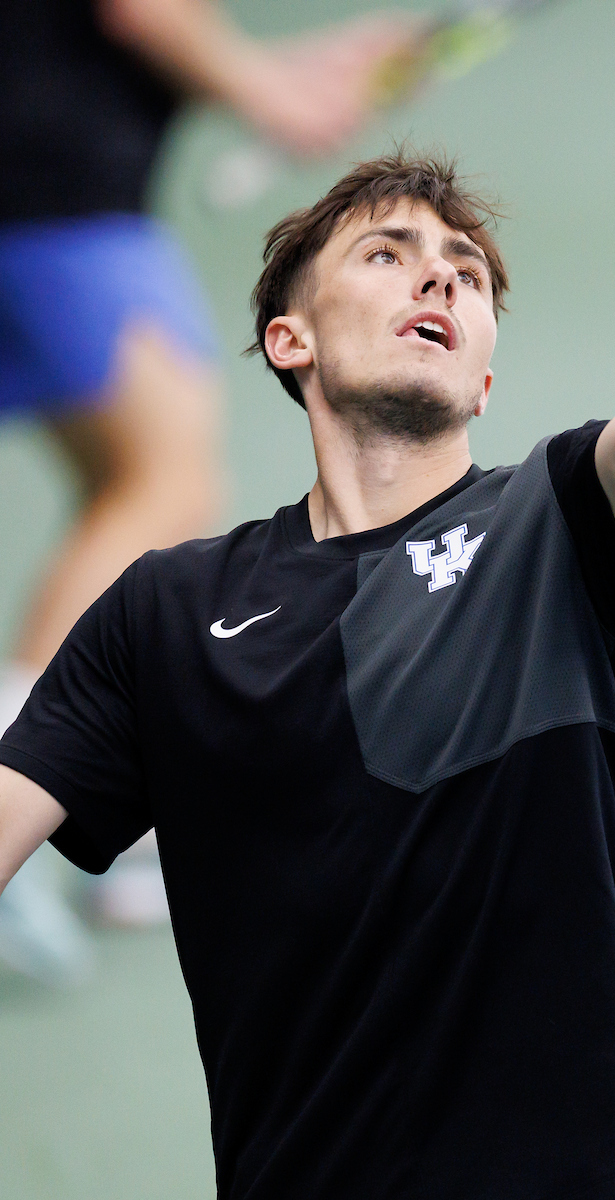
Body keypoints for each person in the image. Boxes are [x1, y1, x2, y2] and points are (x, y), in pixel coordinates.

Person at [0, 150, 615, 1197]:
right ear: (291, 340)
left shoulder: (556, 527)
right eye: (387, 255)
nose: (439, 276)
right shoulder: (167, 611)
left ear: (484, 379)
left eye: (467, 273)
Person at [0, 0, 412, 977]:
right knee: (166, 482)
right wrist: (264, 90)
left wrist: (283, 70)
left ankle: (103, 815)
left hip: (48, 178)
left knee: (125, 484)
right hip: (52, 192)